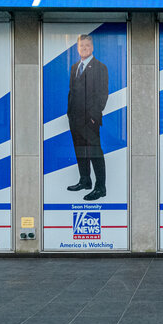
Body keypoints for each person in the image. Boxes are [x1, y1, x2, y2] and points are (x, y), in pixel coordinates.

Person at [67, 34, 109, 201]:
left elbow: (103, 94)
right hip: (74, 117)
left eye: (87, 45)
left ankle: (100, 187)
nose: (84, 48)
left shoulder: (100, 67)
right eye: (81, 46)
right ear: (77, 49)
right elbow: (72, 91)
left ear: (92, 48)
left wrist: (93, 116)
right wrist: (69, 113)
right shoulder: (74, 67)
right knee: (80, 151)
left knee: (95, 152)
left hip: (89, 120)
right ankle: (85, 180)